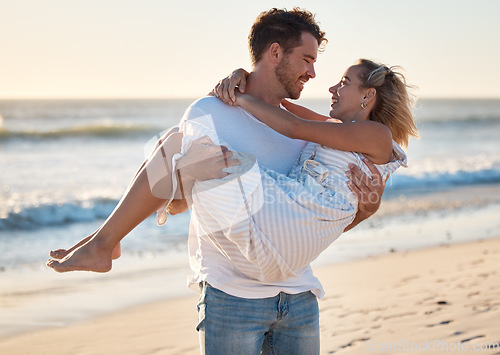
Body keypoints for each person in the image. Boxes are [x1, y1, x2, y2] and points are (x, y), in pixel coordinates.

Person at [47, 8, 389, 354]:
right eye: (306, 59)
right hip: (231, 299)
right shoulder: (208, 113)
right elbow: (177, 204)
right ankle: (104, 241)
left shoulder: (313, 136)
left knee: (174, 146)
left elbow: (315, 218)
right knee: (175, 144)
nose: (313, 73)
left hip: (299, 298)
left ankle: (104, 241)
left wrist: (365, 211)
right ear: (274, 53)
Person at [182, 58, 417, 283]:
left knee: (199, 158)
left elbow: (293, 126)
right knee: (195, 163)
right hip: (290, 227)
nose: (332, 88)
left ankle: (170, 199)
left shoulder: (377, 135)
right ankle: (173, 198)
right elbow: (280, 105)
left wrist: (238, 98)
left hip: (296, 224)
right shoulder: (339, 130)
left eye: (344, 83)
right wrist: (243, 75)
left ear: (368, 94)